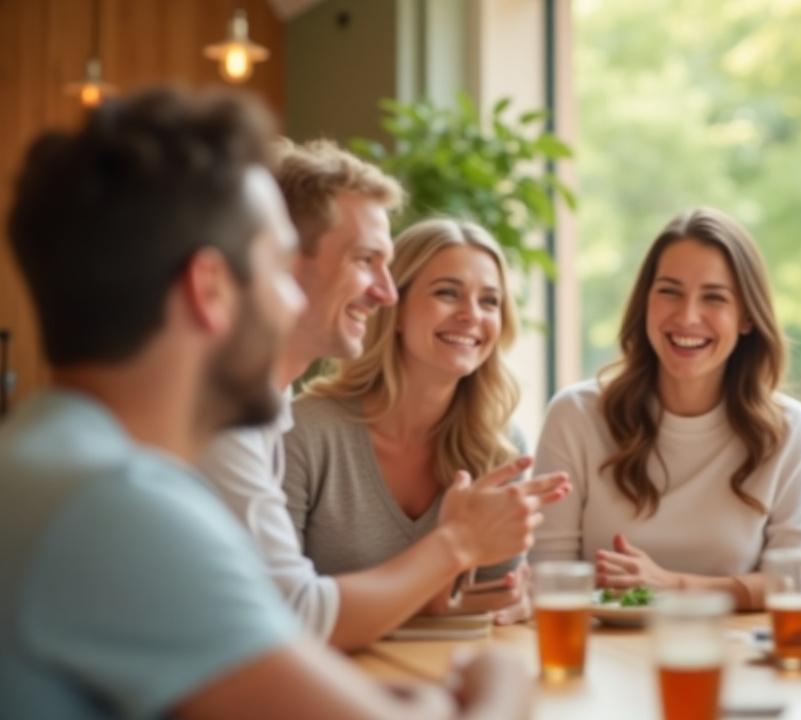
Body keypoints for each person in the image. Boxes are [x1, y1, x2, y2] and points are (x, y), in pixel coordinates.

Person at [1, 86, 531, 719]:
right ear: (210, 288)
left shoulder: (51, 459)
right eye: (279, 263)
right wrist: (504, 684)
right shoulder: (121, 503)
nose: (290, 300)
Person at [198, 141, 568, 650]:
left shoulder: (269, 414)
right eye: (366, 260)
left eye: (490, 301)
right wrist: (453, 546)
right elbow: (290, 621)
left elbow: (488, 600)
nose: (384, 292)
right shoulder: (251, 424)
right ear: (280, 263)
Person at [530, 207, 801, 610]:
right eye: (669, 291)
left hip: (736, 661)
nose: (687, 317)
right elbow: (548, 576)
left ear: (746, 317)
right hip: (600, 657)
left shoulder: (790, 431)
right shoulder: (576, 416)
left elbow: (798, 581)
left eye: (714, 298)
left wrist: (674, 586)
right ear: (645, 303)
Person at [284, 218, 559, 624]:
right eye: (448, 293)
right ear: (393, 308)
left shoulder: (499, 445)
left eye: (489, 301)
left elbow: (498, 601)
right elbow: (276, 608)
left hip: (447, 672)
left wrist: (510, 601)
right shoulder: (305, 433)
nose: (471, 315)